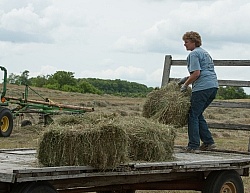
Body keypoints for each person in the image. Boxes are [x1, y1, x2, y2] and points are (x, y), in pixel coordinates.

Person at [178, 31, 219, 153]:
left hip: (202, 88)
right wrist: (186, 78)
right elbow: (203, 71)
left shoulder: (194, 54)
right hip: (213, 86)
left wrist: (185, 85)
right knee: (198, 114)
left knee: (192, 115)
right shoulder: (205, 53)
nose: (184, 45)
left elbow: (196, 73)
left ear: (194, 42)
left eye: (186, 42)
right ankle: (208, 142)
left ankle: (193, 145)